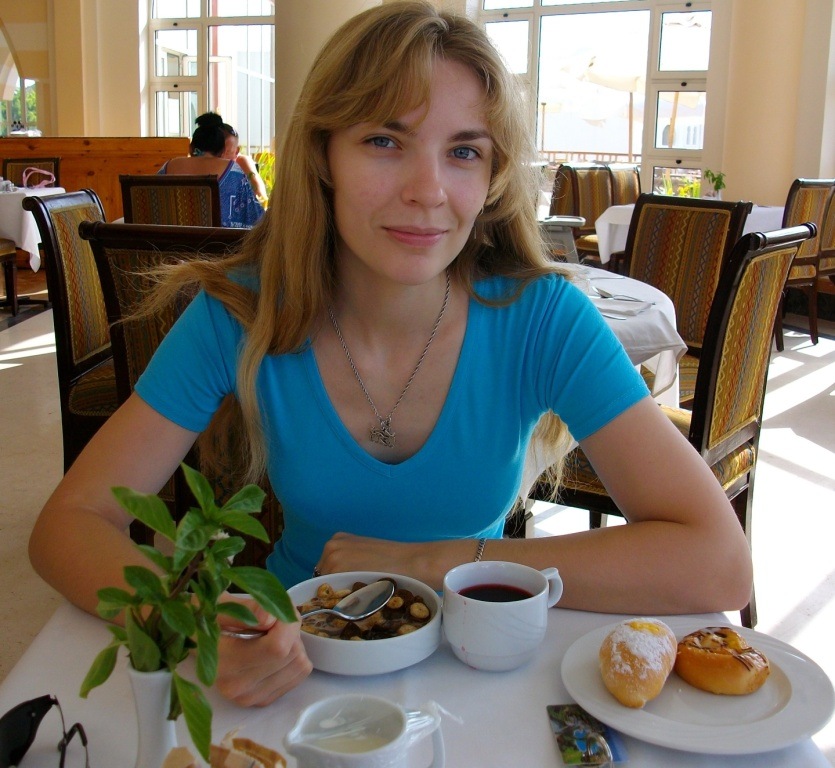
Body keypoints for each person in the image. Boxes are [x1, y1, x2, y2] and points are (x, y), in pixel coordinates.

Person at [29, 2, 752, 708]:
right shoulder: (243, 312)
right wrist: (195, 627)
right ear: (322, 157)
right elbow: (70, 523)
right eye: (383, 140)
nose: (428, 191)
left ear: (493, 178)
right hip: (292, 673)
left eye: (463, 151)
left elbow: (718, 562)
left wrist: (437, 562)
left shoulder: (542, 319)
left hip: (478, 675)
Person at [157, 111, 265, 228]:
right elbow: (257, 219)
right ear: (222, 151)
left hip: (170, 238)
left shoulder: (169, 166)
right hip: (217, 239)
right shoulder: (233, 171)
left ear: (190, 148)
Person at [220, 122, 269, 204]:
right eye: (218, 152)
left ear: (237, 151)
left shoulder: (241, 161)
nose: (222, 157)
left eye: (227, 152)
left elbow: (260, 194)